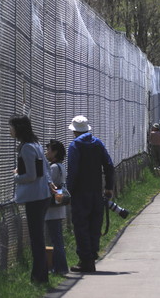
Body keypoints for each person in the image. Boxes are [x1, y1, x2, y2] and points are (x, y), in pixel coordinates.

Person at [9, 115, 54, 284]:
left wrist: (16, 176)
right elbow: (42, 170)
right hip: (42, 196)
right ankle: (42, 276)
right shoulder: (36, 145)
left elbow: (31, 175)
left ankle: (38, 277)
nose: (10, 130)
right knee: (38, 237)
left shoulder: (27, 147)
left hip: (35, 197)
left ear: (18, 129)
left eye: (11, 127)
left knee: (36, 238)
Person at [67, 115, 114, 273]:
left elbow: (72, 171)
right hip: (96, 191)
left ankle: (85, 260)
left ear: (74, 132)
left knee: (81, 225)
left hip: (80, 192)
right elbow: (108, 164)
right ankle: (91, 256)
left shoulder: (75, 146)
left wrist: (69, 189)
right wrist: (109, 186)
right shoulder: (97, 143)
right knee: (95, 225)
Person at [44, 140, 69, 275]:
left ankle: (60, 268)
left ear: (55, 152)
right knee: (57, 238)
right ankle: (60, 266)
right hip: (59, 207)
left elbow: (49, 186)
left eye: (48, 150)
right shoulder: (61, 166)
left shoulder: (53, 168)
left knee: (56, 240)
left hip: (52, 209)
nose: (46, 152)